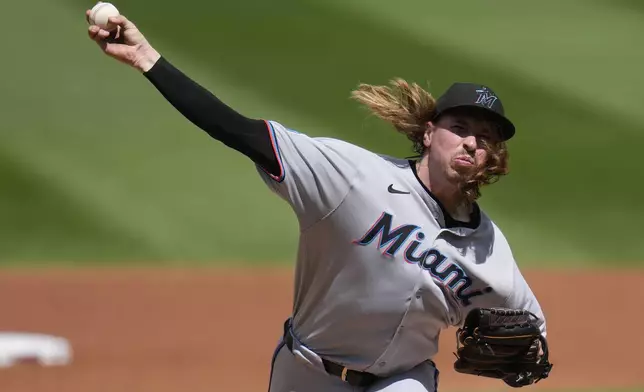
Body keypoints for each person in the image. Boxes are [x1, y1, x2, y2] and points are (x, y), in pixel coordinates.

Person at [86, 11, 549, 392]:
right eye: (461, 129)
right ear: (429, 134)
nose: (471, 142)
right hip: (308, 372)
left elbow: (530, 331)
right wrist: (147, 58)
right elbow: (239, 130)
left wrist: (527, 359)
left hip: (403, 381)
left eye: (485, 138)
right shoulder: (352, 177)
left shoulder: (489, 249)